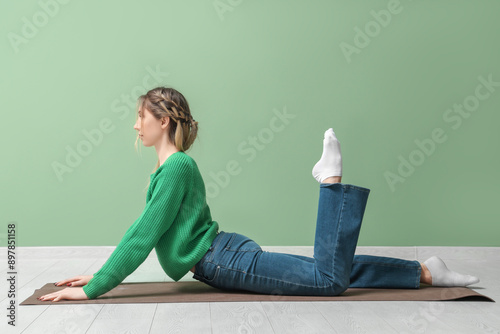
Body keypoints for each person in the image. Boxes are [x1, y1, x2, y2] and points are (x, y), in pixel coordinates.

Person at [38, 87, 480, 302]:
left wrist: (95, 287)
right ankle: (422, 272)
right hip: (223, 253)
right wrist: (93, 274)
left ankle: (330, 184)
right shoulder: (170, 167)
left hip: (220, 259)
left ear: (164, 122)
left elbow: (142, 234)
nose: (136, 125)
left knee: (328, 282)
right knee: (327, 270)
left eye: (141, 116)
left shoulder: (176, 167)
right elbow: (145, 230)